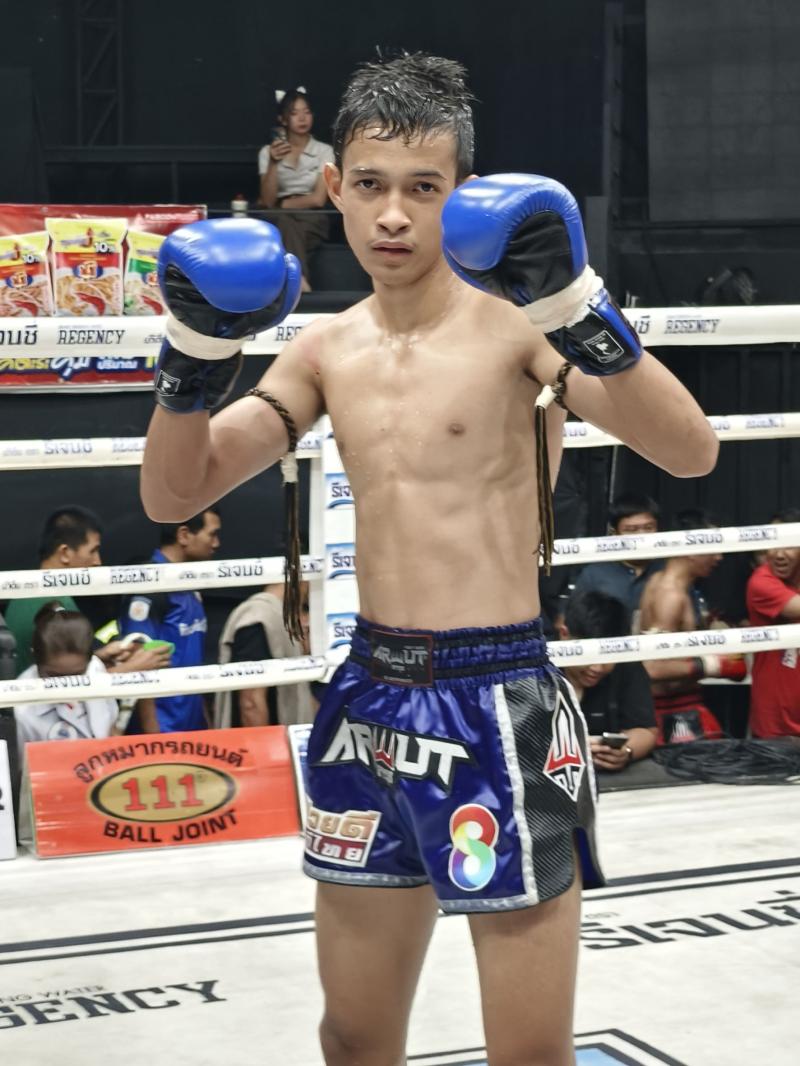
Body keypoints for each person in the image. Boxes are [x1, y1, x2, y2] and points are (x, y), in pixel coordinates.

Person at [140, 52, 718, 1065]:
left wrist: (577, 308)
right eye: (370, 185)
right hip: (370, 696)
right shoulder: (324, 351)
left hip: (498, 694)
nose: (394, 216)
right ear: (334, 187)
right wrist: (190, 359)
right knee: (352, 1036)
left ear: (465, 193)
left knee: (527, 1053)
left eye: (424, 188)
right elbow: (173, 493)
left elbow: (690, 449)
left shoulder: (521, 332)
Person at [4, 506, 169, 676]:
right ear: (65, 553)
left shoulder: (21, 596)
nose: (98, 561)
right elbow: (70, 682)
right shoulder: (56, 604)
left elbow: (57, 666)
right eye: (93, 551)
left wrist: (98, 655)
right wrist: (132, 669)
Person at [638, 508, 745, 744]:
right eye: (713, 548)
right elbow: (652, 667)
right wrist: (713, 664)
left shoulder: (665, 583)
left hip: (682, 703)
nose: (719, 557)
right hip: (670, 710)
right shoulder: (670, 595)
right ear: (691, 548)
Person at [118, 508, 221, 733]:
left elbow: (193, 659)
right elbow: (140, 662)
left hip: (193, 726)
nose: (216, 543)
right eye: (212, 534)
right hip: (161, 730)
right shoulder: (150, 584)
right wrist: (153, 736)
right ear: (183, 535)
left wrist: (206, 723)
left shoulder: (189, 585)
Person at [557, 591, 656, 771]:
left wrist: (626, 751)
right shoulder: (539, 668)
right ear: (564, 634)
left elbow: (645, 730)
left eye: (608, 657)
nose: (598, 668)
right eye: (590, 655)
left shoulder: (628, 666)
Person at [14, 604, 118, 761]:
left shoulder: (96, 668)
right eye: (54, 676)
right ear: (34, 656)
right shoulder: (21, 707)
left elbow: (112, 726)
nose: (67, 686)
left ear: (90, 660)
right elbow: (21, 769)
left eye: (77, 675)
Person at [257, 88, 335, 291]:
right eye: (294, 113)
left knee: (283, 226)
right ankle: (299, 280)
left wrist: (282, 204)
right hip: (278, 216)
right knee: (283, 222)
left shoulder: (324, 151)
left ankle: (292, 282)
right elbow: (267, 200)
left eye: (306, 112)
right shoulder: (268, 152)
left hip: (311, 216)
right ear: (282, 119)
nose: (302, 118)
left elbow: (318, 199)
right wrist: (273, 163)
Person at [215, 581, 316, 728]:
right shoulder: (259, 616)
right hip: (260, 739)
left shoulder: (280, 618)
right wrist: (263, 743)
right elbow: (250, 703)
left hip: (282, 736)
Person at [571, 491, 663, 629]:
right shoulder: (594, 575)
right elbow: (572, 625)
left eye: (649, 528)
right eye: (631, 530)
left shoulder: (669, 571)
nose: (641, 536)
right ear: (614, 533)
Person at [746, 507, 800, 737]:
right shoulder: (761, 581)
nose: (778, 554)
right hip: (776, 728)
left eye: (788, 545)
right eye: (773, 543)